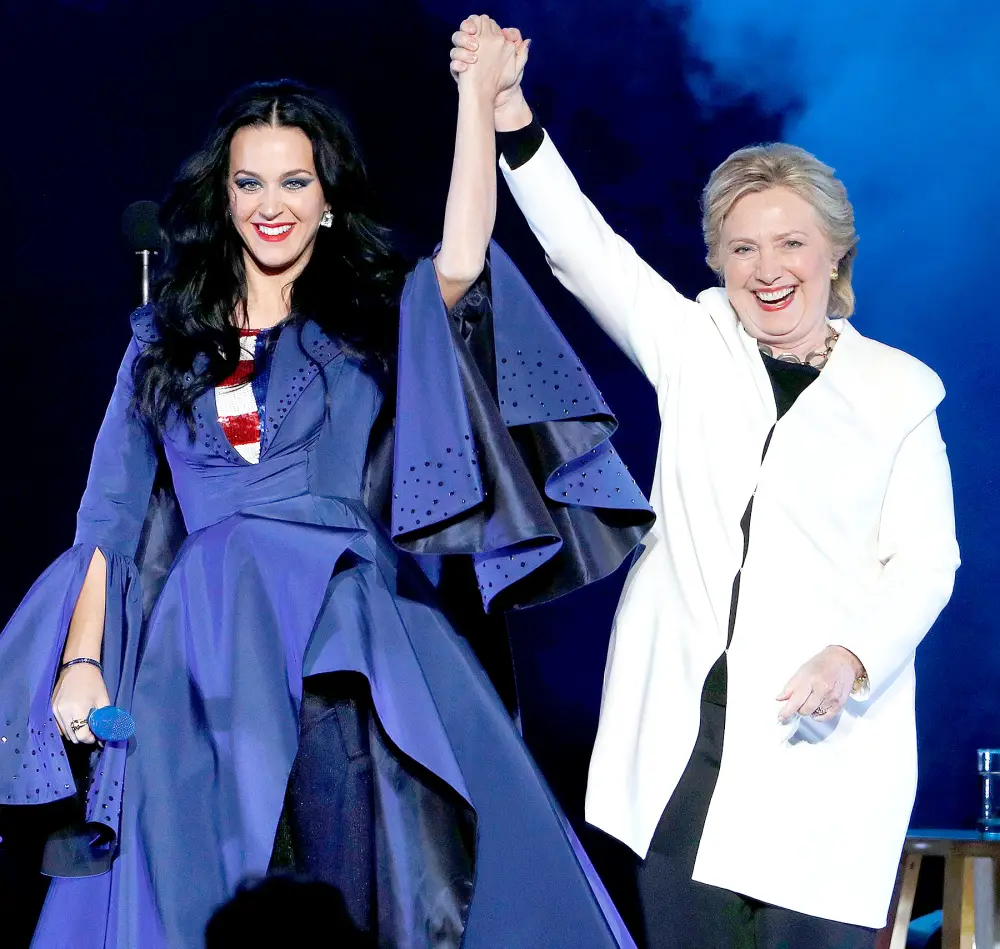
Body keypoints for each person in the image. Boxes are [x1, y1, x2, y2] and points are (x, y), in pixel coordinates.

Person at [0, 18, 654, 949]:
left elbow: (462, 260)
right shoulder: (159, 338)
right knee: (196, 895)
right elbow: (108, 511)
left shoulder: (368, 315)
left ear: (328, 197)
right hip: (199, 653)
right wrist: (79, 661)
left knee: (351, 886)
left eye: (295, 182)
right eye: (252, 182)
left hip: (340, 636)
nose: (274, 204)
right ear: (224, 198)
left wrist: (478, 100)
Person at [451, 18, 960, 949]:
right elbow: (585, 250)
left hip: (822, 748)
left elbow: (927, 563)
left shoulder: (899, 391)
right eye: (743, 247)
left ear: (834, 254)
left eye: (791, 244)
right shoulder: (696, 344)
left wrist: (853, 654)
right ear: (718, 260)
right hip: (688, 740)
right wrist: (512, 113)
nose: (768, 269)